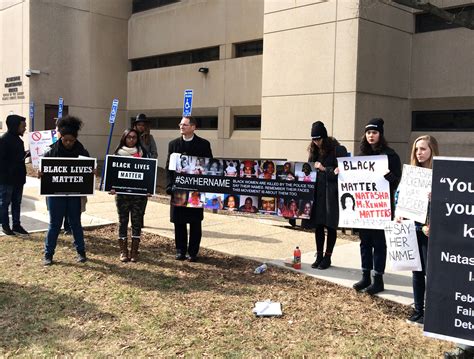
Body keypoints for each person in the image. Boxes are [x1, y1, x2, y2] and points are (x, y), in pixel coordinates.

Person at [353, 118, 401, 294]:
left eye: (374, 132)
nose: (371, 135)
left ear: (380, 134)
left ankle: (378, 279)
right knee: (364, 243)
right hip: (364, 208)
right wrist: (340, 173)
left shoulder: (391, 155)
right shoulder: (360, 157)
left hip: (382, 207)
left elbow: (397, 183)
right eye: (368, 133)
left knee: (379, 244)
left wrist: (389, 176)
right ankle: (365, 276)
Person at [400, 135, 439, 326]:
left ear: (432, 150)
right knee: (416, 271)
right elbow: (400, 196)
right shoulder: (411, 173)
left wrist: (437, 196)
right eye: (416, 149)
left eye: (423, 149)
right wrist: (399, 213)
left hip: (430, 231)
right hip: (413, 228)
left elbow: (450, 204)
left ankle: (432, 311)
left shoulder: (441, 174)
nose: (419, 153)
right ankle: (418, 310)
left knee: (430, 273)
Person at [41, 116, 91, 266]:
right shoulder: (50, 152)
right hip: (56, 195)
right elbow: (44, 172)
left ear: (76, 139)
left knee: (76, 223)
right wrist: (41, 173)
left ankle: (81, 252)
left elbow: (87, 174)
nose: (68, 143)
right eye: (65, 140)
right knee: (54, 224)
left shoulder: (83, 152)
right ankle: (48, 254)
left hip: (74, 195)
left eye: (71, 140)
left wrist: (91, 171)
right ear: (60, 137)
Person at [166, 116, 213, 262]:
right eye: (180, 124)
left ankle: (193, 252)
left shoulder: (203, 144)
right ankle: (180, 250)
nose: (181, 126)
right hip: (178, 189)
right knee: (179, 221)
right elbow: (169, 167)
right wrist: (169, 186)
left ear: (193, 127)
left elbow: (209, 166)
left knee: (195, 222)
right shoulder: (173, 144)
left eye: (184, 124)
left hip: (195, 191)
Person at [308, 121, 348, 270]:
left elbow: (343, 171)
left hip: (332, 193)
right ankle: (319, 255)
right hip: (318, 192)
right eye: (313, 139)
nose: (316, 142)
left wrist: (325, 169)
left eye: (318, 139)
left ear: (324, 137)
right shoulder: (313, 151)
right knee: (318, 225)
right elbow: (310, 170)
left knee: (331, 225)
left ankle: (328, 256)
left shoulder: (338, 150)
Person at [109, 128, 150, 263]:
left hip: (139, 196)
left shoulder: (143, 154)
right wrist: (112, 187)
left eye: (134, 137)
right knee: (123, 222)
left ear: (137, 139)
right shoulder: (118, 154)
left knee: (137, 222)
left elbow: (148, 175)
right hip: (122, 196)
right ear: (124, 139)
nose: (131, 140)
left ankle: (134, 251)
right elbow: (112, 176)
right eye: (129, 137)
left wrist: (149, 188)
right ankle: (123, 251)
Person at [0, 114, 29, 236]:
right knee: (4, 203)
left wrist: (27, 154)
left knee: (17, 202)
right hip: (7, 179)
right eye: (23, 126)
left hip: (18, 178)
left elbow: (19, 156)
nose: (25, 129)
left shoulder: (19, 141)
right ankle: (5, 226)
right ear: (15, 126)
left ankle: (16, 225)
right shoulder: (3, 140)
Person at [133, 113, 157, 230]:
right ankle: (134, 218)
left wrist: (147, 161)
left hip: (145, 171)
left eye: (143, 125)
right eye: (139, 124)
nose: (141, 127)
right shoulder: (130, 136)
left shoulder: (149, 138)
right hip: (132, 170)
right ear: (136, 125)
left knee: (143, 196)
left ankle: (141, 217)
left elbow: (155, 153)